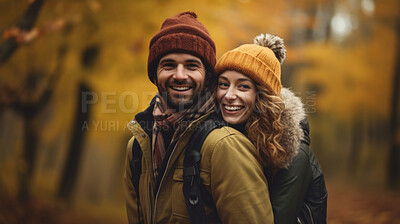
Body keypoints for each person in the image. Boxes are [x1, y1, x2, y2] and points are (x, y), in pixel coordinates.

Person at [124, 11, 274, 224]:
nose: (180, 75)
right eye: (168, 65)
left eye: (192, 65)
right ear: (154, 74)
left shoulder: (224, 146)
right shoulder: (138, 147)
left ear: (208, 76)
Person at [214, 33, 328, 224]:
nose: (228, 95)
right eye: (223, 84)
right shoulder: (228, 135)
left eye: (242, 87)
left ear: (262, 97)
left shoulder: (293, 154)